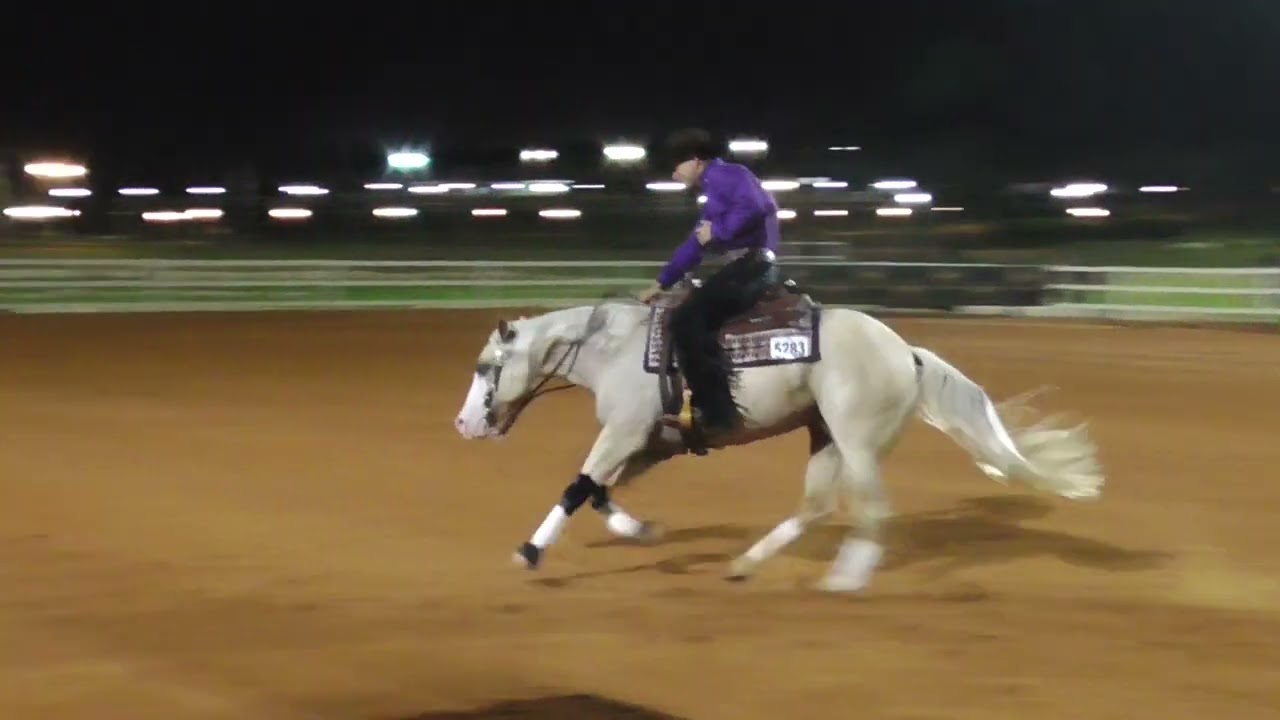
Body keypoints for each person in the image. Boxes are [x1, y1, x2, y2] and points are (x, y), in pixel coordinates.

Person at [637, 128, 782, 435]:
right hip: (747, 265)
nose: (675, 176)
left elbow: (758, 206)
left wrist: (720, 232)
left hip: (751, 266)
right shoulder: (716, 191)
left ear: (694, 160)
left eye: (676, 168)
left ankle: (715, 413)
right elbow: (694, 245)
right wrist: (662, 283)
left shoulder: (727, 175)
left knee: (685, 322)